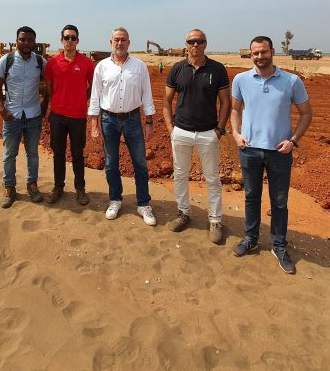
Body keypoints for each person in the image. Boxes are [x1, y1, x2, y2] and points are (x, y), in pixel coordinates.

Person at [230, 35, 312, 274]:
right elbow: (235, 109)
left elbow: (306, 114)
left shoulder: (291, 80)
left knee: (279, 202)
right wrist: (235, 134)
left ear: (272, 51)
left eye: (263, 52)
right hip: (250, 150)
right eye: (255, 53)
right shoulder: (241, 79)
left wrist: (293, 141)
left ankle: (279, 245)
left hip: (279, 152)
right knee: (251, 197)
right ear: (251, 54)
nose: (259, 57)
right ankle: (250, 238)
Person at [162, 29, 230, 244]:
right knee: (180, 174)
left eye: (199, 41)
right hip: (180, 131)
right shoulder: (177, 68)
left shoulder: (217, 69)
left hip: (208, 132)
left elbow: (226, 102)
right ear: (186, 44)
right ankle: (183, 213)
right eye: (192, 41)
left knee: (212, 179)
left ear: (205, 44)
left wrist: (219, 129)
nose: (195, 45)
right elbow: (166, 101)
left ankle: (215, 220)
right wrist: (171, 129)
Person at [88, 27, 157, 226]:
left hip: (133, 120)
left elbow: (147, 96)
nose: (120, 43)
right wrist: (94, 124)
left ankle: (143, 204)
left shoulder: (139, 66)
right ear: (111, 42)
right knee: (111, 163)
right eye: (116, 40)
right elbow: (95, 96)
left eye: (123, 40)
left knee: (140, 163)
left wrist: (149, 122)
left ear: (129, 42)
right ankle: (115, 200)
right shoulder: (101, 67)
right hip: (108, 120)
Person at [0, 26, 49, 208]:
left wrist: (45, 103)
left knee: (32, 153)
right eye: (22, 40)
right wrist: (2, 109)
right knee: (10, 154)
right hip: (12, 116)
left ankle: (32, 185)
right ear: (16, 40)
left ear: (35, 42)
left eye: (30, 40)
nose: (26, 43)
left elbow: (49, 84)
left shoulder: (40, 62)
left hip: (33, 115)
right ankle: (10, 188)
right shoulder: (6, 61)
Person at [44, 24, 95, 205]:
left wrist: (82, 100)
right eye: (67, 37)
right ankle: (58, 187)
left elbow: (92, 88)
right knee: (58, 153)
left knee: (77, 154)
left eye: (73, 38)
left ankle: (80, 189)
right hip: (57, 116)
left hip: (78, 117)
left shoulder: (87, 63)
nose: (70, 41)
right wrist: (56, 101)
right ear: (61, 40)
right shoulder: (52, 62)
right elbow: (49, 87)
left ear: (78, 41)